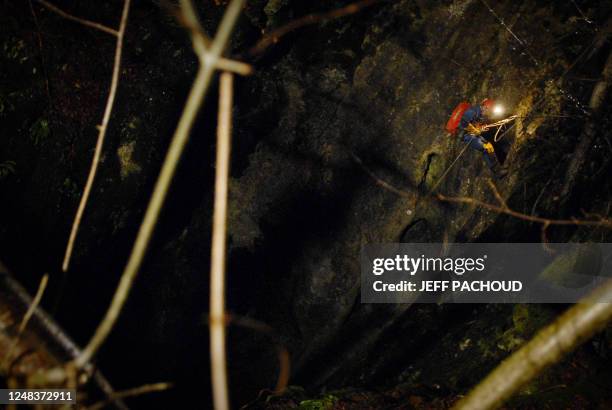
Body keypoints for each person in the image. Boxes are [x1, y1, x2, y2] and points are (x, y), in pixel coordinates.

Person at [458, 99, 507, 179]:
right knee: (486, 148)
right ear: (484, 107)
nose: (489, 113)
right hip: (466, 136)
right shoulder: (472, 111)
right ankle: (497, 172)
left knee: (489, 146)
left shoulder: (481, 114)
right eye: (489, 110)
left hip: (473, 134)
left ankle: (498, 169)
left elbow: (478, 124)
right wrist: (474, 129)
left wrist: (481, 128)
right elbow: (462, 123)